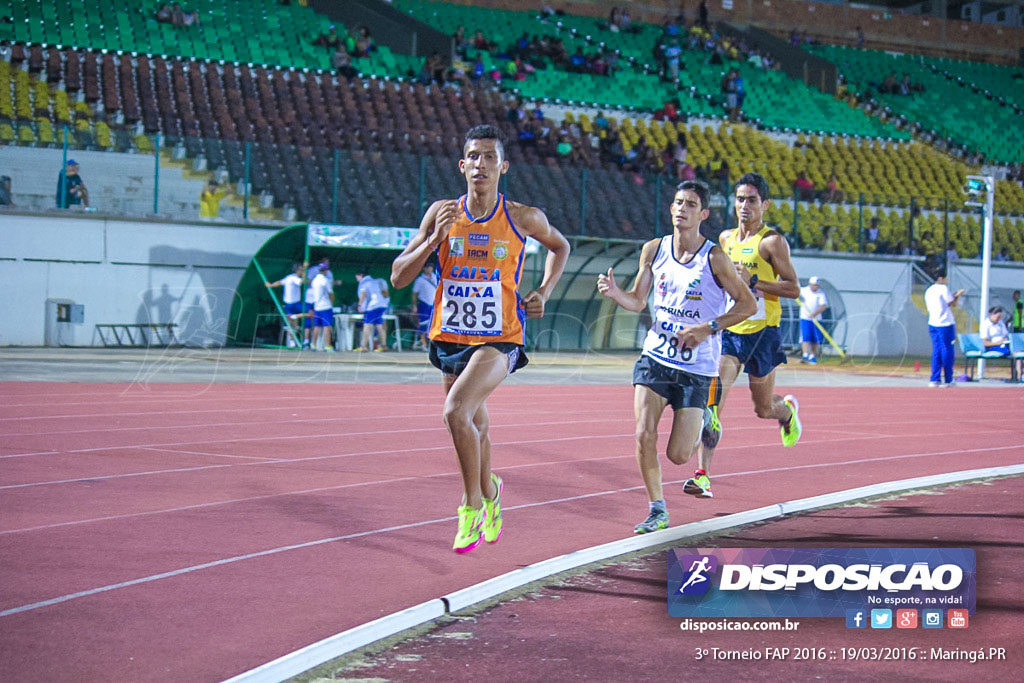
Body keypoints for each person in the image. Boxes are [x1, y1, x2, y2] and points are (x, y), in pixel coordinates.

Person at [390, 124, 570, 554]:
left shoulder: (524, 216)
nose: (481, 164)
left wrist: (543, 291)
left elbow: (560, 247)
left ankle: (471, 505)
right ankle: (492, 493)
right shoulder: (441, 213)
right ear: (462, 165)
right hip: (450, 337)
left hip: (501, 337)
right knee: (475, 425)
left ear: (502, 166)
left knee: (455, 412)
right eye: (474, 156)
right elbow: (398, 276)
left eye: (490, 157)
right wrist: (433, 240)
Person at [597, 180, 755, 533]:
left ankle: (704, 421)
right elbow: (639, 300)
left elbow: (748, 304)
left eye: (690, 204)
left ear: (704, 214)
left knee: (679, 456)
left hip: (697, 367)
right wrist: (616, 294)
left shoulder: (715, 258)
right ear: (671, 208)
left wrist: (707, 328)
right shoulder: (654, 249)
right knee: (642, 433)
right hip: (656, 358)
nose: (682, 208)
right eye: (678, 202)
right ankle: (657, 508)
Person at [681, 172, 803, 499]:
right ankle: (702, 474)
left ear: (764, 204)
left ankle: (787, 413)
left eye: (751, 200)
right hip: (732, 332)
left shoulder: (771, 242)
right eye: (739, 199)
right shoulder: (724, 239)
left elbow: (793, 288)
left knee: (763, 408)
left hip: (763, 334)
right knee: (713, 404)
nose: (744, 206)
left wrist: (754, 283)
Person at [923, 270, 964, 387]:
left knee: (937, 350)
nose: (947, 280)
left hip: (933, 322)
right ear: (941, 278)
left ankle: (934, 378)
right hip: (945, 323)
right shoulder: (943, 288)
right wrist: (957, 295)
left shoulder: (929, 290)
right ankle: (948, 378)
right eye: (945, 278)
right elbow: (952, 303)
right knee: (947, 350)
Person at [265, 262, 305, 347]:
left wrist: (271, 285)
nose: (302, 272)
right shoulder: (293, 278)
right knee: (293, 323)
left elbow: (280, 282)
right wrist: (305, 270)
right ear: (297, 270)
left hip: (291, 304)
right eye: (301, 270)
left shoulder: (289, 278)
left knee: (293, 323)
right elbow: (301, 282)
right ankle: (294, 341)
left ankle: (295, 341)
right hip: (292, 305)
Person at [355, 270, 389, 352]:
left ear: (361, 275)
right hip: (382, 305)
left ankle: (363, 346)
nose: (357, 279)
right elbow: (384, 292)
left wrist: (359, 305)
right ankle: (383, 346)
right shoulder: (375, 281)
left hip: (373, 306)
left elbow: (363, 294)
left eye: (357, 276)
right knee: (379, 325)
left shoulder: (364, 283)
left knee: (367, 325)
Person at [799, 276, 828, 364]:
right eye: (814, 285)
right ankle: (805, 355)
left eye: (817, 285)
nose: (815, 287)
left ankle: (812, 356)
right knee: (806, 337)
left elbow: (823, 306)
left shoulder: (821, 294)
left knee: (816, 338)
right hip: (805, 318)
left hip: (816, 320)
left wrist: (814, 314)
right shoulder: (803, 291)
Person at [411, 262, 438, 350]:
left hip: (435, 303)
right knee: (423, 323)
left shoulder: (436, 277)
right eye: (427, 267)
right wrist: (414, 305)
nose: (429, 269)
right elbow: (414, 293)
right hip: (423, 303)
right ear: (424, 269)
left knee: (434, 324)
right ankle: (424, 344)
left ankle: (433, 344)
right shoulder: (420, 280)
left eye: (430, 267)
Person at [309, 263, 335, 351]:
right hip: (326, 306)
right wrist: (332, 303)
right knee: (327, 326)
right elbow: (330, 293)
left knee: (316, 327)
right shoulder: (325, 280)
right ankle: (327, 346)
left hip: (317, 306)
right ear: (325, 270)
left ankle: (313, 345)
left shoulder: (314, 281)